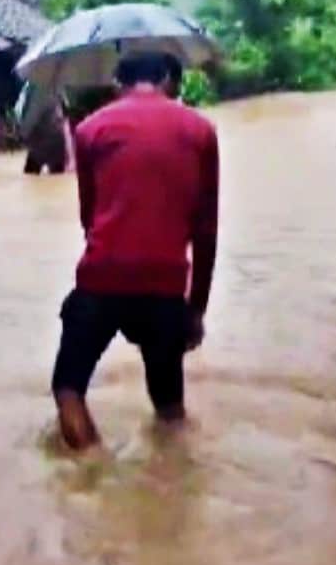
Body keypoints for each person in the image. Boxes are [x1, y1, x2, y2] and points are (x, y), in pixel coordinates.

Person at [49, 52, 218, 449]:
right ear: (167, 81)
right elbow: (205, 230)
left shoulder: (90, 129)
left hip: (102, 277)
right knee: (169, 406)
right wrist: (196, 310)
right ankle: (174, 481)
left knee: (68, 387)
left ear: (116, 83)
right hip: (165, 285)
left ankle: (92, 472)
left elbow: (89, 219)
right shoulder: (201, 131)